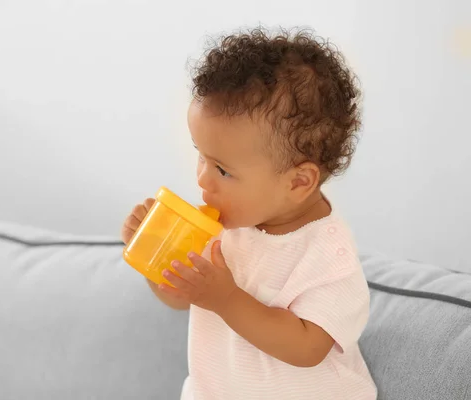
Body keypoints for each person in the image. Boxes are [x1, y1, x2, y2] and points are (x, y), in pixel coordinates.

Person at [121, 27, 377, 400]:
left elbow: (307, 349)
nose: (202, 179)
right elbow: (180, 295)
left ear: (297, 182)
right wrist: (153, 254)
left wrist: (225, 299)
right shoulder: (220, 227)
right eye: (201, 156)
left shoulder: (328, 256)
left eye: (222, 170)